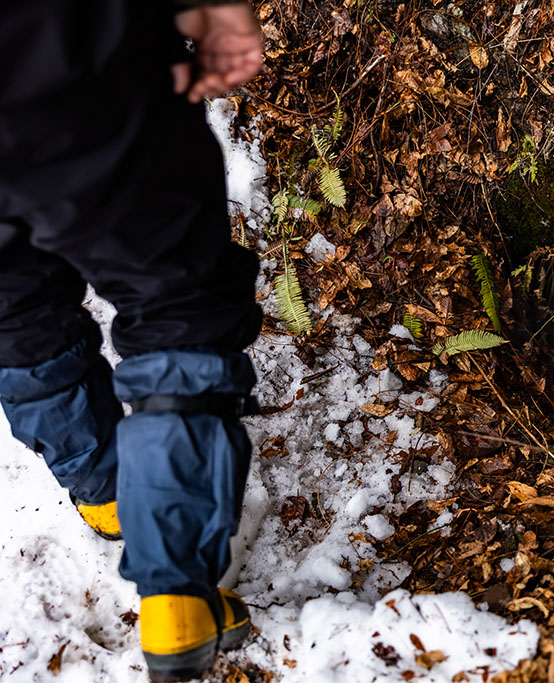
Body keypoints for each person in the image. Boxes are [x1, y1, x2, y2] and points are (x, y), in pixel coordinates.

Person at [0, 1, 265, 679]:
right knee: (175, 293)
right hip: (62, 62)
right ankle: (176, 595)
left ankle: (104, 489)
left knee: (14, 306)